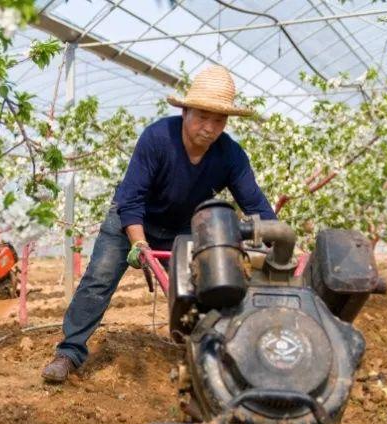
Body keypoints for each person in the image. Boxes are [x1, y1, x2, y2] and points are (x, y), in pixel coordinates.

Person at [41, 65, 278, 383]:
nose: (209, 127)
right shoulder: (158, 138)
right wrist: (139, 243)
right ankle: (68, 353)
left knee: (202, 288)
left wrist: (281, 245)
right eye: (202, 116)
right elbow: (132, 199)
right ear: (185, 112)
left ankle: (205, 357)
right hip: (130, 220)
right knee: (98, 281)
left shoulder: (230, 155)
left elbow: (256, 205)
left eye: (218, 120)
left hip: (180, 226)